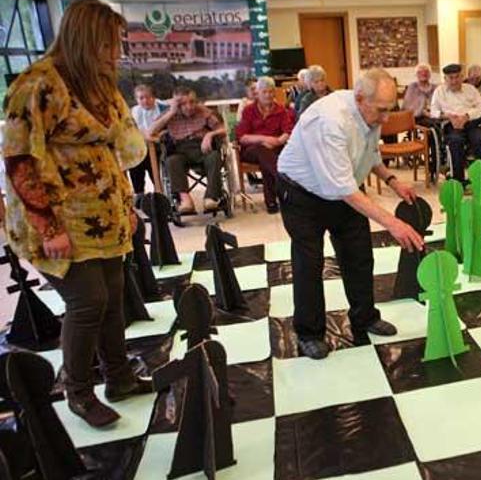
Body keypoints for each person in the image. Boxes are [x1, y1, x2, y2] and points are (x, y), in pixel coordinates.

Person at [2, 0, 152, 428]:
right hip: (59, 219)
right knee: (88, 302)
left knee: (112, 296)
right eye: (109, 43)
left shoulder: (97, 83)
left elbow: (118, 149)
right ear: (87, 40)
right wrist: (48, 225)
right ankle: (78, 392)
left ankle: (119, 377)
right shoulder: (37, 85)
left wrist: (126, 206)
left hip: (102, 216)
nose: (116, 52)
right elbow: (20, 162)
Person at [276, 68, 424, 360]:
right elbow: (343, 189)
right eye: (381, 110)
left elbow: (369, 154)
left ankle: (365, 317)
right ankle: (309, 332)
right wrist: (393, 223)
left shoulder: (370, 112)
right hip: (302, 193)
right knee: (309, 261)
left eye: (389, 110)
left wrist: (392, 181)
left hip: (342, 189)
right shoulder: (330, 122)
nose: (385, 118)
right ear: (359, 98)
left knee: (359, 254)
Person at [149, 87, 227, 214]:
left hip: (201, 146)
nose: (189, 106)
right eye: (183, 103)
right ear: (176, 104)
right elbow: (151, 131)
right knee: (172, 161)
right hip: (180, 149)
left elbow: (223, 130)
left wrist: (210, 135)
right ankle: (185, 200)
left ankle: (211, 197)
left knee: (214, 156)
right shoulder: (170, 114)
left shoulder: (203, 112)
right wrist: (172, 112)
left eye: (192, 102)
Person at [236, 76, 295, 214]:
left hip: (275, 148)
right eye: (265, 92)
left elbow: (288, 131)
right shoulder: (249, 110)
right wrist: (263, 139)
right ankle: (284, 182)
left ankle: (271, 202)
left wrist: (278, 141)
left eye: (271, 92)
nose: (268, 95)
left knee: (266, 159)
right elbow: (242, 137)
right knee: (262, 150)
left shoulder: (280, 110)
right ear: (258, 93)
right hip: (252, 150)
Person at [430, 63, 481, 185]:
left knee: (480, 140)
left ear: (462, 77)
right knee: (455, 142)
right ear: (445, 79)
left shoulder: (470, 89)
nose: (454, 81)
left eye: (457, 77)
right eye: (450, 78)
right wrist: (447, 116)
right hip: (451, 125)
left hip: (471, 123)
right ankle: (458, 180)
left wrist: (467, 116)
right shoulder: (439, 91)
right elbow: (433, 111)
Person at [129, 84, 168, 205]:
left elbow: (168, 127)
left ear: (153, 97)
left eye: (148, 97)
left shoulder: (162, 108)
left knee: (154, 162)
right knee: (135, 163)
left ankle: (159, 191)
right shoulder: (134, 111)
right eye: (141, 98)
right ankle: (139, 193)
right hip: (141, 145)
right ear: (137, 100)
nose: (145, 100)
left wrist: (158, 136)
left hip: (159, 145)